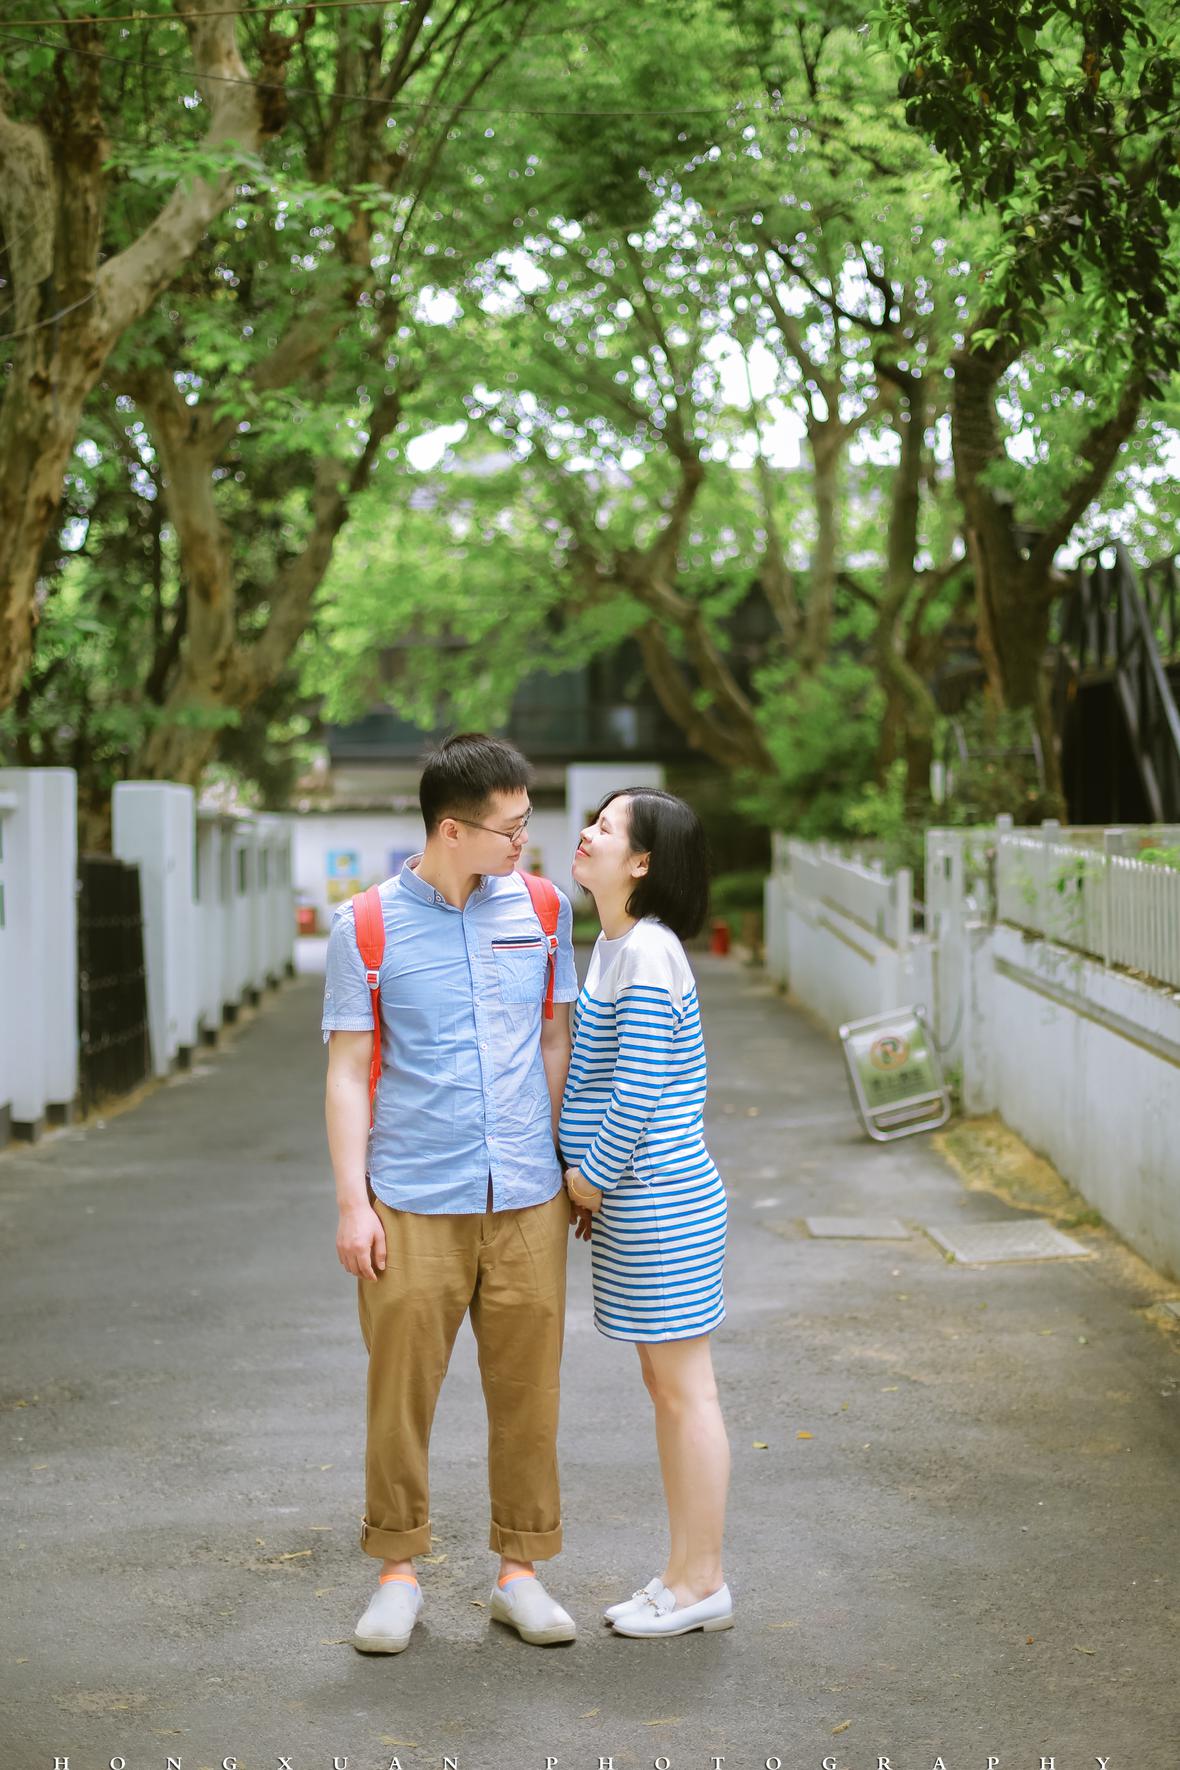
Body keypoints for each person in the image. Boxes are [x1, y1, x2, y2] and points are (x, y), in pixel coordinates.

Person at [322, 733, 580, 1654]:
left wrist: (563, 1164)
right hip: (411, 1198)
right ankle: (397, 1574)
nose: (525, 840)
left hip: (527, 1197)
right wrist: (353, 1202)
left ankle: (520, 1573)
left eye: (527, 821)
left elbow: (554, 1039)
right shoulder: (365, 925)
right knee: (400, 1394)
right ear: (451, 830)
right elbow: (348, 1070)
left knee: (529, 1393)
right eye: (510, 827)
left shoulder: (544, 909)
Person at [560, 787, 733, 1639]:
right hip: (640, 1201)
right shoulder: (616, 943)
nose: (585, 834)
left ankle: (702, 1583)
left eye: (605, 827)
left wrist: (589, 1179)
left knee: (686, 1391)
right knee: (666, 1388)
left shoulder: (651, 952)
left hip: (660, 1200)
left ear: (641, 862)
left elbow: (638, 1089)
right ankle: (681, 1572)